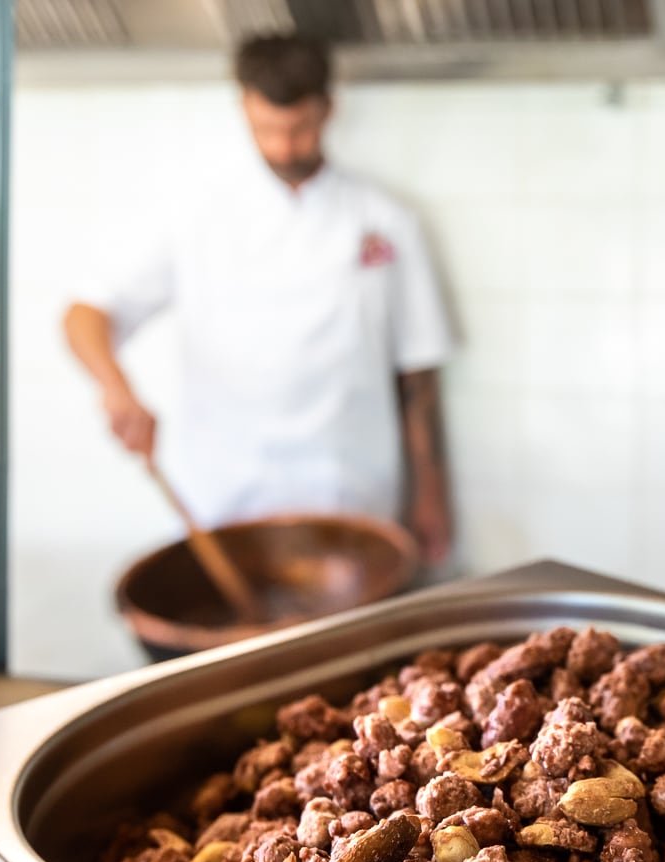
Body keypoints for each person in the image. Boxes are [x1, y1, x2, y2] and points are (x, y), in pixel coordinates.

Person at [64, 34, 453, 564]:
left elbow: (418, 370)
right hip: (225, 497)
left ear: (328, 109)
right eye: (267, 129)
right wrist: (117, 389)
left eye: (300, 129)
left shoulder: (384, 221)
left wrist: (431, 492)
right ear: (244, 109)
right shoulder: (197, 215)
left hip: (351, 494)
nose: (284, 148)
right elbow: (87, 310)